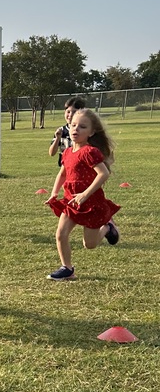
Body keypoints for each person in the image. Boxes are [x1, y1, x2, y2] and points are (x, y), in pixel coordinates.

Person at [45, 108, 120, 281]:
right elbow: (62, 174)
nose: (75, 129)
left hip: (91, 203)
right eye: (73, 125)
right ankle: (67, 269)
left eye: (82, 127)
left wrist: (85, 194)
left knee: (90, 245)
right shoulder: (67, 152)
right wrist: (54, 193)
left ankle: (108, 227)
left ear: (92, 132)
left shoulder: (90, 152)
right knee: (60, 234)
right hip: (71, 201)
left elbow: (103, 174)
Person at [48, 95, 86, 167]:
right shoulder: (61, 131)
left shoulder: (84, 130)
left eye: (74, 112)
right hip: (64, 168)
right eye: (68, 112)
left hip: (80, 166)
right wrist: (57, 138)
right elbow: (51, 153)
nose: (70, 115)